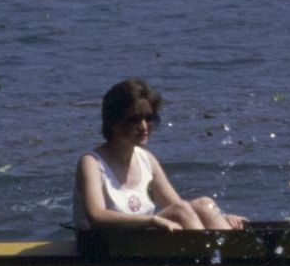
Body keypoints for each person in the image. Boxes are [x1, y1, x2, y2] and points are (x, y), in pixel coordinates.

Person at [75, 79, 245, 232]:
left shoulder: (146, 159)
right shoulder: (91, 163)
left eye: (149, 118)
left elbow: (179, 206)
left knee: (204, 205)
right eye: (134, 119)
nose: (144, 127)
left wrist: (222, 217)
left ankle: (232, 257)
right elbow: (96, 216)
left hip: (134, 243)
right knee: (181, 211)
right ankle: (214, 262)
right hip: (101, 248)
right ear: (113, 122)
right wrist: (152, 220)